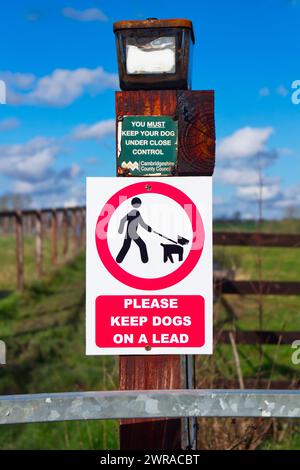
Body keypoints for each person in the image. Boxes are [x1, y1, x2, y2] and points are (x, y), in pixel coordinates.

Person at [116, 197, 151, 263]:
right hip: (132, 233)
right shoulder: (133, 212)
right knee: (142, 245)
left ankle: (119, 260)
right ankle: (145, 260)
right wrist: (120, 230)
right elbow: (122, 220)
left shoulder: (136, 213)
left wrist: (148, 228)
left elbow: (142, 223)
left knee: (126, 246)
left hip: (129, 233)